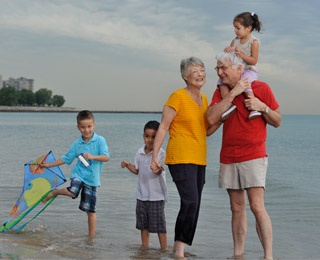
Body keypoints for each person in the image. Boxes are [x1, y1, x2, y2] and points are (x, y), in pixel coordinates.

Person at [207, 52, 281, 260]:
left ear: (239, 69)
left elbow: (277, 121)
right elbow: (210, 120)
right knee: (236, 207)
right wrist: (232, 94)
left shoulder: (261, 88)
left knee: (257, 206)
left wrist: (262, 107)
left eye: (224, 68)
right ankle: (238, 254)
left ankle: (268, 256)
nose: (220, 73)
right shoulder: (221, 92)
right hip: (229, 156)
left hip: (254, 154)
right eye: (217, 69)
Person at [150, 57, 208, 258]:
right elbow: (164, 126)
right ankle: (179, 252)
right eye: (195, 71)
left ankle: (179, 247)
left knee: (196, 203)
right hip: (181, 157)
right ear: (185, 76)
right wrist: (154, 157)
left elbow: (206, 130)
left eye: (202, 70)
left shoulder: (205, 100)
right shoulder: (177, 96)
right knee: (190, 201)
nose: (200, 74)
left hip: (200, 158)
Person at [41, 110, 110, 238]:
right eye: (83, 127)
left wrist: (92, 157)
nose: (86, 130)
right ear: (78, 127)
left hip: (92, 179)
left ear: (94, 125)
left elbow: (106, 157)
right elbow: (65, 159)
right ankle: (54, 192)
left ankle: (91, 238)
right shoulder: (77, 144)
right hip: (78, 174)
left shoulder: (100, 140)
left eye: (89, 126)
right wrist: (48, 165)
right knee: (73, 191)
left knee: (90, 211)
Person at [120, 120, 167, 250]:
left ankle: (163, 249)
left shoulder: (161, 153)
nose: (150, 140)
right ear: (143, 136)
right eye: (147, 136)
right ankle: (144, 248)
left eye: (153, 137)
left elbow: (161, 171)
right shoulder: (139, 153)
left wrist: (157, 169)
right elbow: (137, 171)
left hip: (156, 196)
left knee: (159, 226)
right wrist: (128, 165)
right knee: (143, 225)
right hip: (141, 196)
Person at [220, 11, 263, 121]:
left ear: (248, 28)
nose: (235, 31)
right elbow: (229, 58)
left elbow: (254, 61)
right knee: (221, 82)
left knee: (244, 81)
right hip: (237, 70)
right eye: (234, 28)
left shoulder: (254, 42)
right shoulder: (235, 41)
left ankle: (254, 107)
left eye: (238, 28)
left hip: (249, 70)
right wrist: (228, 51)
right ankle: (228, 105)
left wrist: (241, 54)